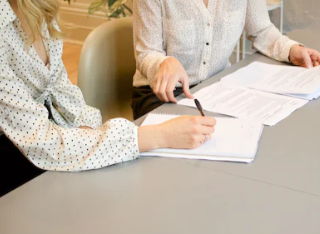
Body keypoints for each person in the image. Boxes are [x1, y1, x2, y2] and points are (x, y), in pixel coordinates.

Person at [0, 0, 216, 197]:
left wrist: (90, 130)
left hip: (48, 144)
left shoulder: (40, 8)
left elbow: (62, 92)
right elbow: (42, 141)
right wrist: (159, 136)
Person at [132, 0, 320, 119]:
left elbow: (261, 30)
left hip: (217, 88)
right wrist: (163, 63)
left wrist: (291, 49)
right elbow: (146, 52)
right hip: (161, 95)